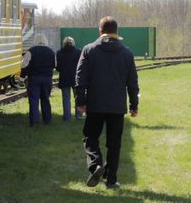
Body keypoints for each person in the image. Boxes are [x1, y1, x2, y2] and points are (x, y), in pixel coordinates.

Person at [74, 17, 139, 190]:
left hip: (95, 104)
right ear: (117, 32)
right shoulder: (127, 53)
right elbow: (132, 82)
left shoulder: (89, 50)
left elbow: (80, 78)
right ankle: (111, 180)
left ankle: (95, 165)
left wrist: (81, 101)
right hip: (117, 106)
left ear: (100, 31)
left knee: (90, 137)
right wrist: (134, 104)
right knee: (114, 144)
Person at [19, 34, 56, 126]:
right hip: (47, 78)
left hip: (34, 79)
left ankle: (34, 122)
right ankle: (47, 120)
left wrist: (21, 78)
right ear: (46, 41)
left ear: (35, 41)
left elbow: (24, 65)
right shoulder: (51, 52)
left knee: (34, 100)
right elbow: (55, 65)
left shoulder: (31, 51)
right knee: (45, 99)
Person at [55, 36, 82, 121]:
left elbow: (58, 68)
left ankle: (67, 117)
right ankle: (78, 115)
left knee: (66, 98)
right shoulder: (78, 52)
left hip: (64, 78)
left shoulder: (59, 53)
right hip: (76, 78)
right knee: (78, 97)